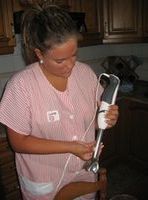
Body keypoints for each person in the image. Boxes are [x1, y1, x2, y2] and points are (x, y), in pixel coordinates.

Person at [0, 3, 119, 200]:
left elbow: (100, 113)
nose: (71, 65)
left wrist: (110, 117)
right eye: (60, 60)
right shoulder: (20, 86)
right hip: (44, 179)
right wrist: (70, 147)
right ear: (39, 53)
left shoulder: (86, 74)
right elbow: (18, 143)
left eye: (74, 55)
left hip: (85, 171)